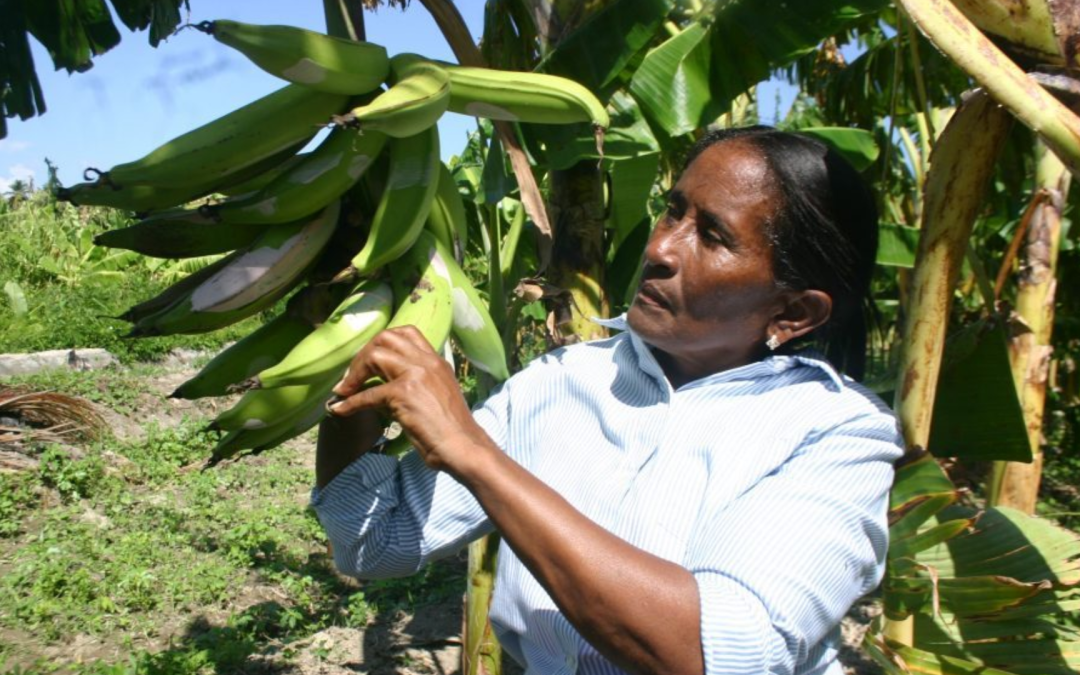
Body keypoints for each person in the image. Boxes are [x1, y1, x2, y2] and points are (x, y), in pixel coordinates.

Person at [312, 126, 904, 675]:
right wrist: (349, 381)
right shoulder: (559, 382)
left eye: (713, 235)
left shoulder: (835, 432)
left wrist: (471, 451)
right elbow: (373, 542)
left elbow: (722, 652)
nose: (661, 248)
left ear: (793, 311)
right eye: (673, 211)